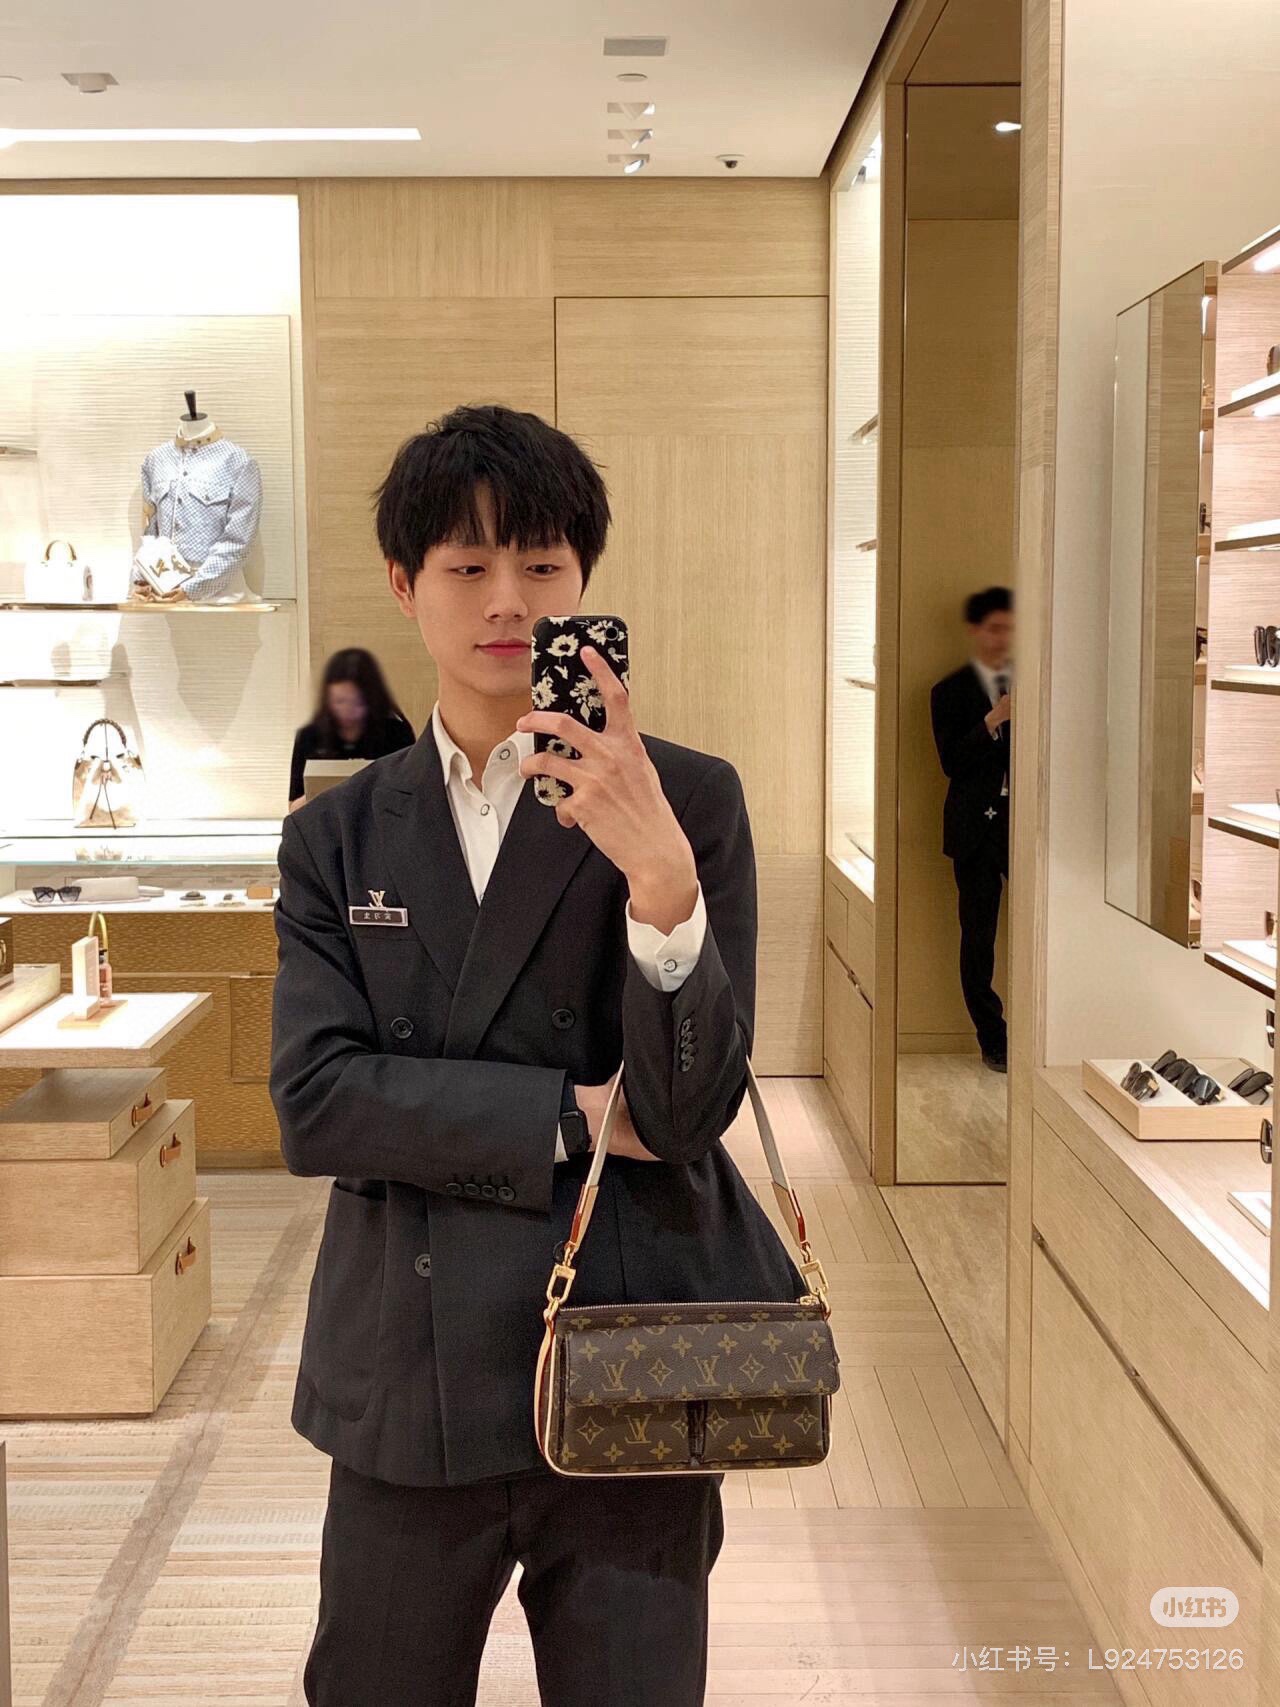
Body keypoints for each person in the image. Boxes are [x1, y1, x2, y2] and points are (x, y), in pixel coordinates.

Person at [268, 403, 802, 1706]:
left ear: (583, 584)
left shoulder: (688, 798)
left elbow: (684, 1115)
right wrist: (568, 1114)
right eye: (467, 564)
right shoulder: (339, 833)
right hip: (408, 1365)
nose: (507, 599)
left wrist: (661, 882)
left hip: (628, 1351)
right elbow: (317, 1103)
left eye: (542, 564)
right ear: (406, 584)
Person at [929, 586, 1014, 1073]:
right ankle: (993, 1038)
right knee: (978, 939)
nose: (1004, 638)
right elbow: (951, 762)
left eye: (1010, 629)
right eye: (995, 628)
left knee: (1049, 932)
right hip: (974, 832)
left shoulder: (1035, 680)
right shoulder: (949, 691)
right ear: (975, 630)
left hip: (1026, 829)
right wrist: (993, 720)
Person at [287, 648, 415, 810]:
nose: (348, 711)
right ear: (328, 698)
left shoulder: (397, 733)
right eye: (340, 701)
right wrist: (318, 790)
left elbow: (412, 798)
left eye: (358, 702)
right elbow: (293, 808)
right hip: (325, 819)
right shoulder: (309, 736)